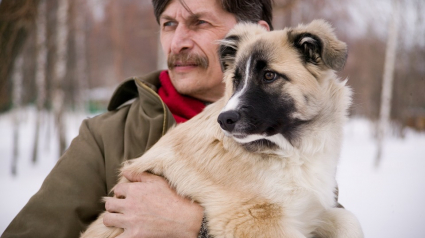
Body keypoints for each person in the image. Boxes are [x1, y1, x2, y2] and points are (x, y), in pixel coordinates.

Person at [2, 0, 273, 237]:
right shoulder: (106, 138)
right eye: (168, 24)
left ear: (257, 35)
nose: (178, 42)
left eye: (199, 22)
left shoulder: (306, 139)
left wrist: (201, 228)